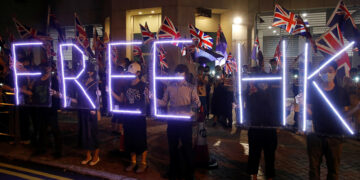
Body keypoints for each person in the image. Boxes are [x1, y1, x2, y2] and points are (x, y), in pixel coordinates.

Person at [306, 61, 360, 179]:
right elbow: (309, 111)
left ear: (335, 72)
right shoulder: (314, 91)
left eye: (330, 71)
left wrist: (356, 108)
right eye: (324, 71)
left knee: (333, 171)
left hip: (335, 137)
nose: (327, 74)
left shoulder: (341, 92)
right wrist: (303, 108)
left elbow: (344, 114)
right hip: (316, 135)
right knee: (314, 170)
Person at [157, 64, 201, 180]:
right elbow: (163, 102)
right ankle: (173, 171)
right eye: (177, 75)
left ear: (185, 75)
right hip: (172, 121)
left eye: (180, 75)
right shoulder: (170, 87)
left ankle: (189, 173)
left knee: (187, 147)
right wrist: (152, 98)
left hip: (185, 122)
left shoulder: (191, 88)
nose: (178, 78)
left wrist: (191, 106)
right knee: (172, 147)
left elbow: (198, 103)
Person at [245, 76, 278, 180]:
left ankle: (270, 176)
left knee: (270, 155)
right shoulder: (252, 93)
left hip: (269, 128)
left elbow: (277, 109)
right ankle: (253, 175)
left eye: (265, 83)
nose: (263, 85)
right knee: (254, 154)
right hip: (256, 127)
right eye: (261, 83)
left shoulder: (273, 93)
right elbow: (248, 108)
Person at [119, 62, 149, 173]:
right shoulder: (126, 85)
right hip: (129, 116)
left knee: (140, 141)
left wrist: (149, 96)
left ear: (138, 73)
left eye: (132, 73)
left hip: (139, 118)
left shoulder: (143, 85)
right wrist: (110, 92)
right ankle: (133, 162)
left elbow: (148, 102)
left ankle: (143, 163)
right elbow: (122, 100)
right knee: (130, 140)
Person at [78, 65, 100, 166]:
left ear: (91, 72)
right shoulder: (83, 83)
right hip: (83, 111)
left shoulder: (95, 84)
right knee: (85, 134)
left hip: (92, 112)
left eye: (88, 71)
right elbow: (79, 99)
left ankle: (96, 156)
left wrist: (96, 109)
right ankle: (88, 155)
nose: (86, 73)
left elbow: (99, 99)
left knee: (93, 133)